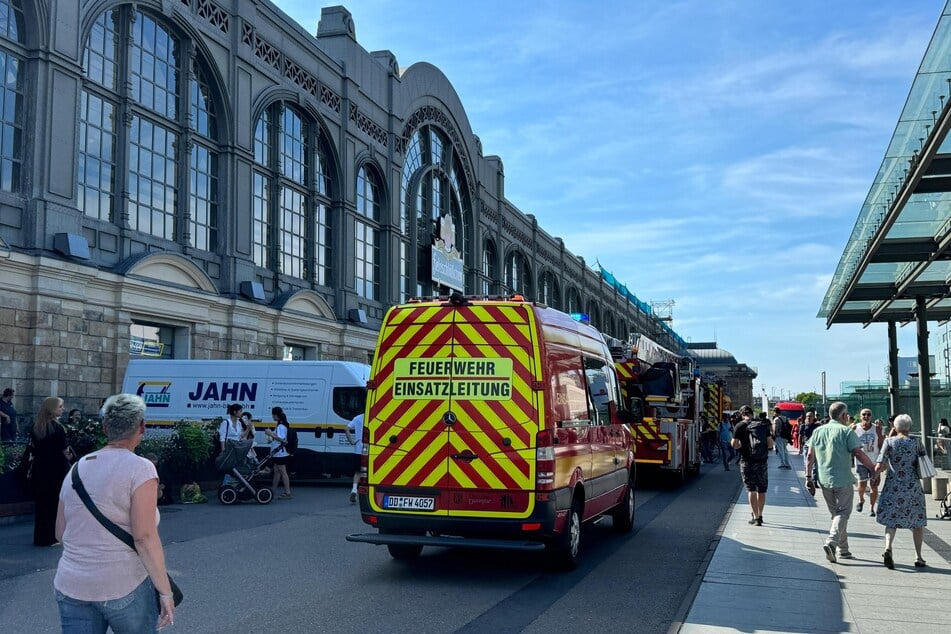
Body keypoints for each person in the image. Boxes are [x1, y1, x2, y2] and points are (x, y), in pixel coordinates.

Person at [54, 393, 175, 630]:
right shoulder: (141, 469)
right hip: (123, 584)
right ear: (142, 427)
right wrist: (165, 592)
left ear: (105, 427)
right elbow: (144, 537)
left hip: (72, 583)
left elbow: (60, 533)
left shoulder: (78, 468)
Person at [805, 401, 879, 564]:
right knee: (843, 513)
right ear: (844, 416)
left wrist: (808, 477)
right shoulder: (846, 431)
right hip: (843, 479)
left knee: (837, 515)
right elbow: (858, 453)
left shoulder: (818, 431)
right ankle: (832, 541)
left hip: (824, 480)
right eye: (847, 415)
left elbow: (810, 455)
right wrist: (873, 468)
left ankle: (843, 550)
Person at [874, 413, 928, 569]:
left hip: (893, 486)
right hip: (913, 487)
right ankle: (918, 557)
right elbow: (924, 462)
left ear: (895, 427)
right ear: (909, 427)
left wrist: (874, 478)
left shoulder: (889, 442)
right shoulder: (916, 442)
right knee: (917, 522)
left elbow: (880, 464)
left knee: (892, 520)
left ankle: (888, 547)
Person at [30, 396, 73, 546]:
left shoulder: (37, 426)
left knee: (42, 504)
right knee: (55, 503)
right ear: (52, 409)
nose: (63, 409)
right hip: (56, 469)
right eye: (60, 407)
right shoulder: (58, 427)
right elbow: (65, 451)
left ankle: (40, 537)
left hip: (40, 468)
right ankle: (52, 537)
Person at [731, 405, 773, 526]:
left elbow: (734, 444)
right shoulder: (762, 425)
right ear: (752, 413)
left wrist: (742, 447)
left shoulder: (739, 426)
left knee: (751, 489)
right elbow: (770, 445)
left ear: (741, 414)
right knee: (762, 490)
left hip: (747, 461)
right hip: (762, 462)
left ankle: (755, 516)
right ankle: (760, 515)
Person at [853, 409, 882, 516]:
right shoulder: (855, 428)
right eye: (864, 414)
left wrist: (881, 461)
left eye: (868, 414)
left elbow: (881, 444)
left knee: (874, 485)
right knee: (862, 484)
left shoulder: (876, 429)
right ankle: (861, 500)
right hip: (861, 461)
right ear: (860, 417)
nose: (866, 416)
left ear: (872, 416)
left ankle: (872, 508)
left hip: (874, 462)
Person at [264, 407, 292, 499]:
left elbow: (281, 439)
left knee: (282, 471)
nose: (272, 416)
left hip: (280, 453)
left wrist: (270, 433)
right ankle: (273, 490)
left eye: (273, 415)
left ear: (276, 415)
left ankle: (287, 492)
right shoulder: (281, 424)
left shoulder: (281, 426)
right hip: (278, 453)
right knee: (277, 471)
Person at [346, 412, 364, 503]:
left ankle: (354, 490)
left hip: (358, 449)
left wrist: (351, 441)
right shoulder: (374, 417)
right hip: (370, 449)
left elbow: (347, 429)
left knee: (357, 471)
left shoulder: (357, 418)